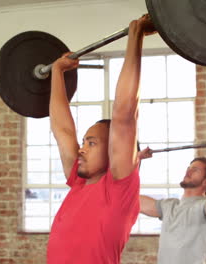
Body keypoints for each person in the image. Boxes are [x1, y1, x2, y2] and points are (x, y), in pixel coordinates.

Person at [46, 15, 156, 263]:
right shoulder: (78, 182)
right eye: (84, 142)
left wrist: (135, 35)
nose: (82, 149)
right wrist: (57, 72)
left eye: (91, 143)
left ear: (114, 152)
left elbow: (125, 113)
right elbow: (62, 130)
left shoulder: (119, 189)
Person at [139, 137, 206, 264]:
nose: (188, 171)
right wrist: (135, 161)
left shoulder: (204, 208)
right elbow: (131, 200)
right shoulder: (169, 206)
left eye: (195, 170)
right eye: (189, 167)